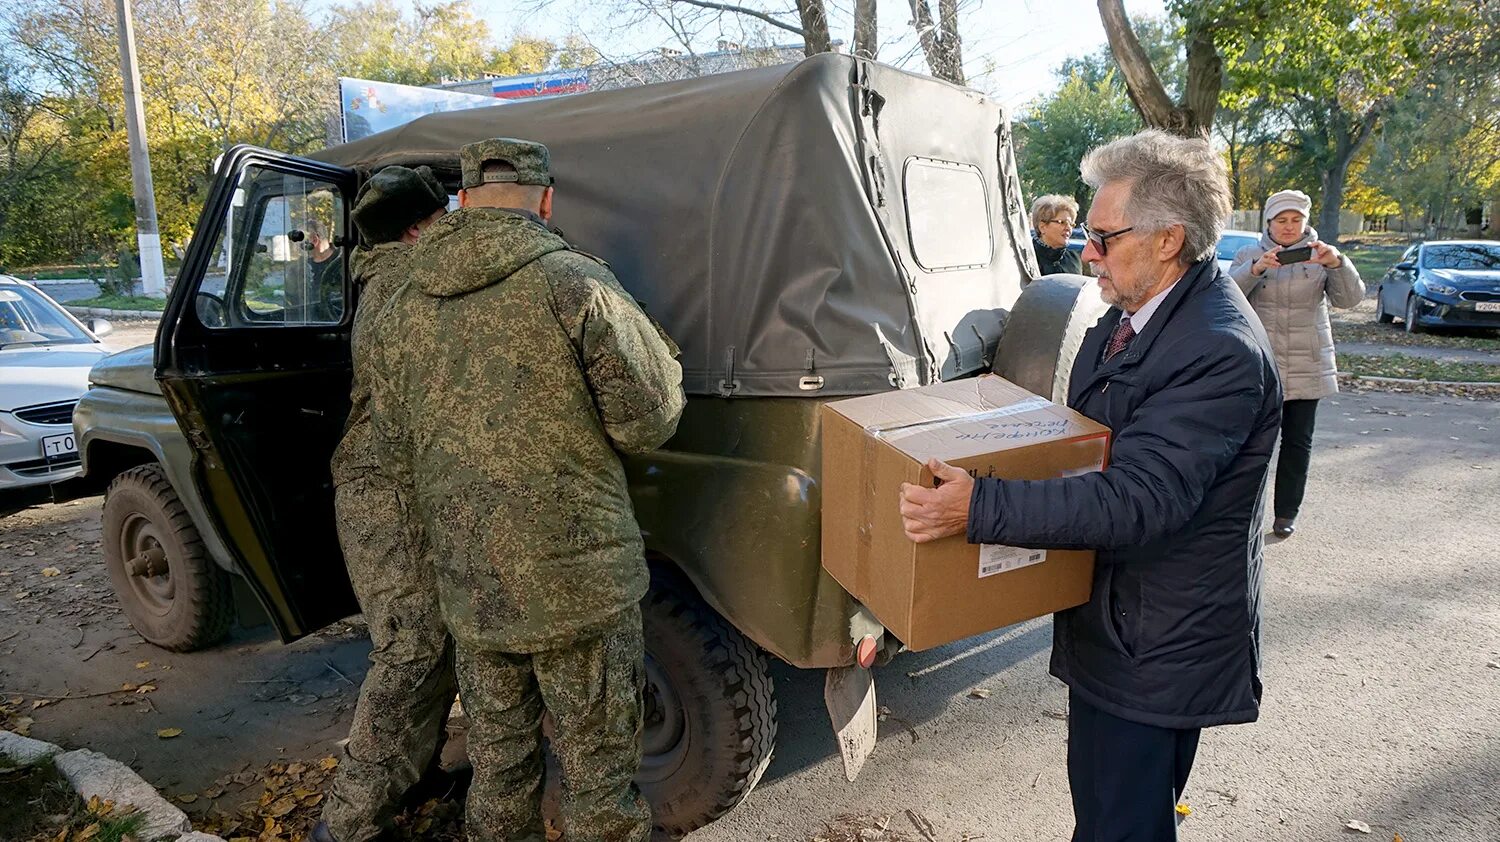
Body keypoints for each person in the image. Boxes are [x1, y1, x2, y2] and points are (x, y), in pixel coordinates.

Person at [898, 130, 1282, 842]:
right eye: (1085, 235)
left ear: (1168, 240)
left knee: (1122, 825)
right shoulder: (1136, 313)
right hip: (1119, 623)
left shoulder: (1216, 348)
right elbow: (1084, 444)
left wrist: (978, 506)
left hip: (1156, 644)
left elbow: (1137, 499)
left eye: (1103, 237)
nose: (1086, 252)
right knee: (1106, 814)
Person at [366, 138, 685, 842]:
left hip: (473, 585)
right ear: (545, 201)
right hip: (580, 587)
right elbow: (649, 422)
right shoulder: (577, 284)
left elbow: (392, 443)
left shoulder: (402, 304)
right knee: (600, 785)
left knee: (500, 772)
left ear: (463, 201)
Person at [313, 166, 454, 842]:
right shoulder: (409, 284)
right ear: (419, 229)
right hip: (387, 497)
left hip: (399, 487)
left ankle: (412, 776)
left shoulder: (392, 277)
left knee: (436, 644)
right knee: (412, 651)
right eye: (444, 217)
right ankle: (348, 824)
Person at [1229, 189, 1364, 538]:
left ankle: (1286, 513)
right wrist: (1257, 269)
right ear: (1268, 222)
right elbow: (1228, 298)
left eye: (1296, 220)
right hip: (1261, 366)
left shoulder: (1322, 255)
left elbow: (1350, 300)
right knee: (1252, 445)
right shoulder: (1248, 254)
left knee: (1297, 443)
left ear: (1306, 222)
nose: (1289, 227)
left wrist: (1337, 264)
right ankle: (1243, 513)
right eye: (1281, 220)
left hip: (1307, 363)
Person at [1030, 194, 1083, 276]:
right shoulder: (1028, 259)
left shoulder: (1073, 258)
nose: (1068, 228)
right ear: (1042, 227)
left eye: (1071, 224)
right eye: (1062, 222)